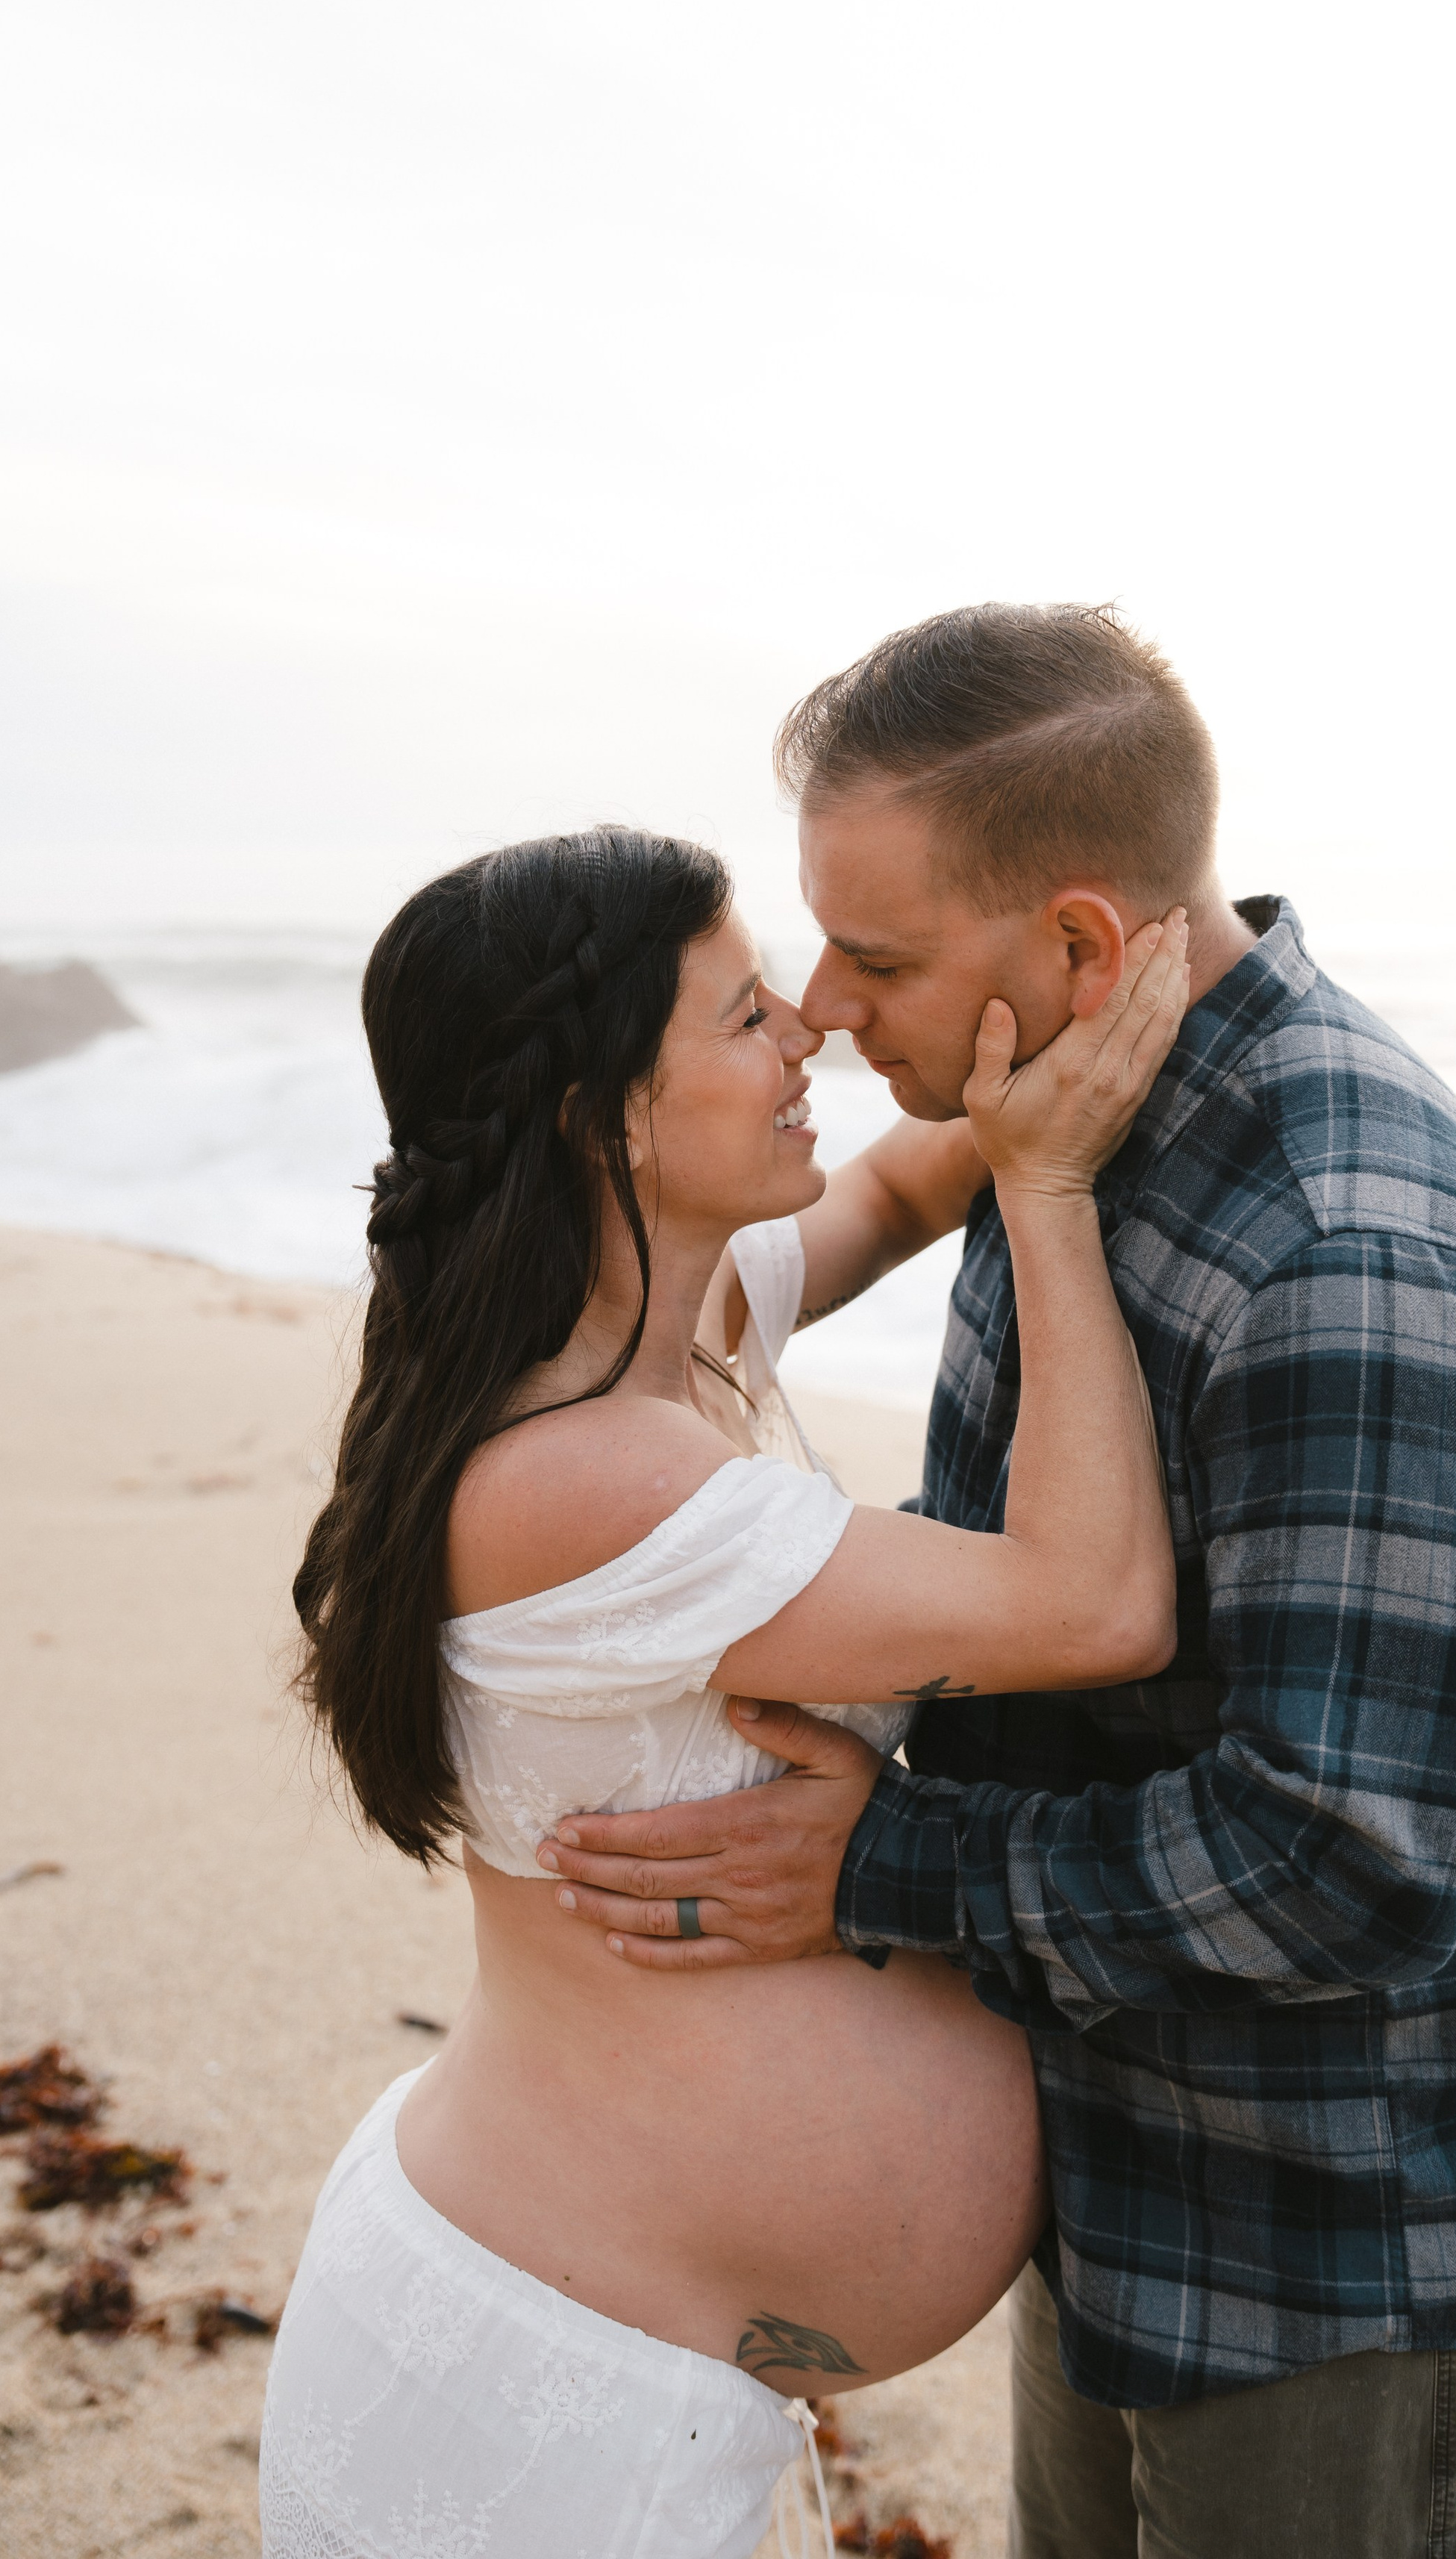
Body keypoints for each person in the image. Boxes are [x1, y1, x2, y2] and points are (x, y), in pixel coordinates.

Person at [543, 605, 1456, 2559]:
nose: (831, 1009)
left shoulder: (1348, 1254)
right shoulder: (1064, 1124)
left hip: (1327, 2266)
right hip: (1126, 2177)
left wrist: (883, 1864)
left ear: (1081, 948)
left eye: (877, 956)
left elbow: (1356, 1859)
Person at [260, 823, 1190, 2559]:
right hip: (540, 2401)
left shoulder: (678, 1330)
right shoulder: (582, 1476)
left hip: (582, 2323)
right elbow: (1096, 1604)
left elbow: (912, 1182)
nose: (810, 1035)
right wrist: (1052, 1196)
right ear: (596, 1113)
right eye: (746, 1013)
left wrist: (1095, 971)